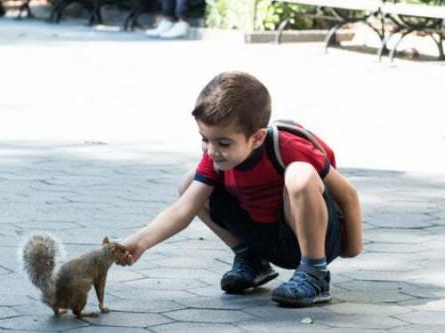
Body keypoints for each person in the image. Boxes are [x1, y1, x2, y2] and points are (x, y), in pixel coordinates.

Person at [119, 71, 362, 307]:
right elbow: (182, 211)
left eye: (223, 143)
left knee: (299, 175)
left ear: (256, 138)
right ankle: (252, 260)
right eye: (205, 139)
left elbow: (348, 194)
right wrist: (139, 242)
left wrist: (352, 247)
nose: (212, 150)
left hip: (311, 238)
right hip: (266, 239)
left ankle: (315, 273)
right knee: (189, 183)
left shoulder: (286, 146)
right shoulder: (216, 158)